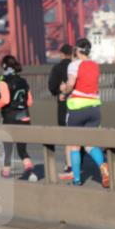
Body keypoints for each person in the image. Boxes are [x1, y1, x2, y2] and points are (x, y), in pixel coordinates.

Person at [60, 39, 109, 188]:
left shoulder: (74, 65)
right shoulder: (95, 65)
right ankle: (102, 165)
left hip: (77, 107)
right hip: (94, 107)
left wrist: (64, 90)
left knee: (75, 145)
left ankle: (76, 179)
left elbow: (71, 84)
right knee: (89, 144)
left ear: (77, 50)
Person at [0, 55, 37, 181]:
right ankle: (29, 167)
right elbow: (30, 102)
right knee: (22, 148)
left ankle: (6, 172)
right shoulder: (23, 81)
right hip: (24, 117)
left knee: (7, 147)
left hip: (10, 117)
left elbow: (5, 100)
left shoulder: (3, 81)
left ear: (4, 66)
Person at [47, 44, 74, 179]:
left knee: (67, 136)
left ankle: (69, 165)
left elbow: (52, 87)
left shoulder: (57, 68)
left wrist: (59, 91)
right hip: (80, 103)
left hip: (64, 104)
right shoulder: (76, 66)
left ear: (62, 54)